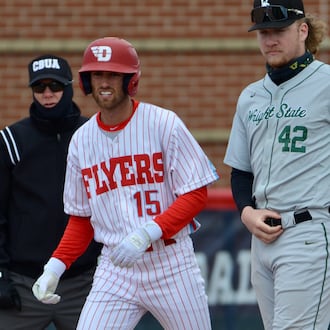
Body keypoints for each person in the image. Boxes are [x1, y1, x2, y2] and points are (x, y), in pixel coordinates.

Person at [31, 37, 219, 330]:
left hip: (170, 263)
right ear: (87, 82)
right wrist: (55, 266)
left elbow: (195, 194)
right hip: (114, 268)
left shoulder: (163, 123)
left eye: (113, 74)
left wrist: (146, 233)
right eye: (97, 74)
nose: (104, 82)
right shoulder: (81, 140)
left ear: (130, 80)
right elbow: (81, 219)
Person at [224, 0, 330, 329]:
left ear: (302, 30)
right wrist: (246, 211)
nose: (270, 40)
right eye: (263, 32)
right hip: (262, 237)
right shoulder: (250, 96)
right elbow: (241, 171)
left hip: (310, 231)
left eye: (279, 31)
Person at [0, 54, 102, 330]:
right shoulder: (11, 141)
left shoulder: (93, 134)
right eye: (39, 87)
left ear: (69, 87)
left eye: (54, 86)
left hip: (84, 282)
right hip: (24, 284)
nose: (47, 94)